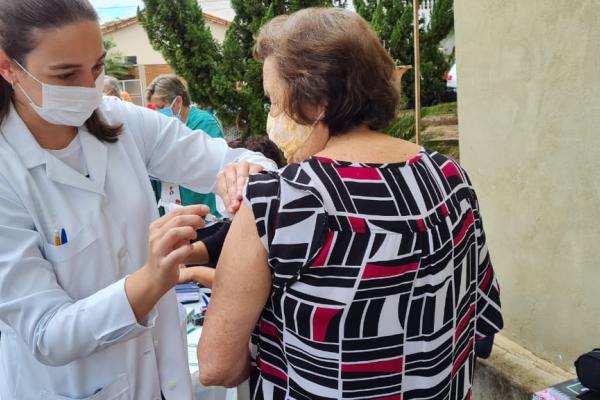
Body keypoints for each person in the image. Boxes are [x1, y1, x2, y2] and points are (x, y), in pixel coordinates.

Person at [198, 8, 503, 399]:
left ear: (316, 100)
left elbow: (217, 365)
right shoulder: (450, 177)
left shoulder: (280, 201)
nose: (271, 115)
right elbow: (479, 315)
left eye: (273, 100)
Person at [0, 1, 276, 399]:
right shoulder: (8, 171)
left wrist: (244, 175)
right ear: (8, 67)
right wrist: (150, 279)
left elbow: (239, 160)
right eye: (66, 74)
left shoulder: (121, 121)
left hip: (162, 377)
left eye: (97, 67)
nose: (88, 88)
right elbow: (47, 333)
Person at [179, 137, 283, 288]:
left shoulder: (273, 226)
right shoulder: (236, 218)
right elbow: (214, 245)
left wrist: (192, 273)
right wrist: (178, 254)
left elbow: (246, 283)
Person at [146, 74, 225, 216]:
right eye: (155, 109)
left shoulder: (203, 123)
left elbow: (208, 164)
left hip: (202, 209)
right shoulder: (163, 129)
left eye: (161, 107)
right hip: (172, 208)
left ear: (177, 102)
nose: (158, 113)